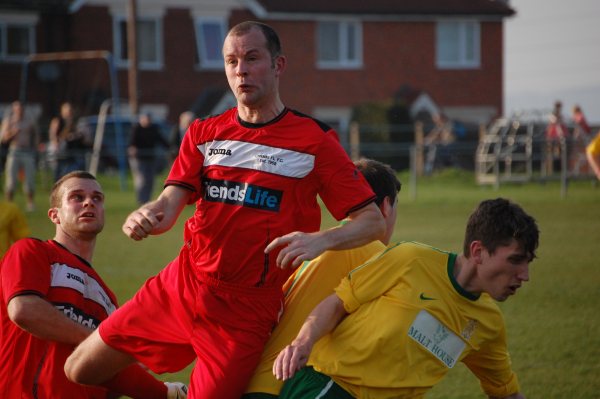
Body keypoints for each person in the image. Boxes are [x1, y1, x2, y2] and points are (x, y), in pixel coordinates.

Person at [64, 21, 385, 399]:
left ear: (278, 65)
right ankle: (170, 393)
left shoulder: (314, 141)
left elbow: (372, 222)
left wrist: (321, 241)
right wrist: (148, 214)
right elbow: (170, 203)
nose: (241, 70)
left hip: (244, 314)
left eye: (252, 58)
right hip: (183, 284)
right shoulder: (204, 132)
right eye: (232, 61)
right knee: (80, 368)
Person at [274, 197, 539, 399]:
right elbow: (337, 303)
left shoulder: (488, 324)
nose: (524, 275)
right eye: (515, 261)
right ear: (478, 251)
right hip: (330, 387)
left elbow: (505, 391)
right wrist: (302, 343)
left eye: (527, 263)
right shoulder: (411, 260)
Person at [0, 171, 187, 399]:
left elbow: (105, 382)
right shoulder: (32, 251)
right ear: (54, 215)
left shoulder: (108, 298)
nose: (89, 202)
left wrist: (163, 391)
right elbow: (24, 310)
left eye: (97, 198)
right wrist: (100, 342)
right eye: (77, 197)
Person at [244, 158, 401, 399]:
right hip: (285, 387)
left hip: (257, 381)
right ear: (387, 206)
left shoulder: (320, 246)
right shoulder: (370, 251)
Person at [1, 100, 39, 211]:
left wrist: (35, 146)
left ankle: (30, 204)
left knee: (29, 179)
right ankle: (9, 204)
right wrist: (13, 132)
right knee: (11, 180)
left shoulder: (29, 121)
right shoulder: (9, 121)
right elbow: (3, 139)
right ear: (14, 110)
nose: (20, 111)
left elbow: (35, 134)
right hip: (14, 152)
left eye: (21, 109)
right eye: (17, 109)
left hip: (27, 151)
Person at [128, 112, 169, 204]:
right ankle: (141, 199)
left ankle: (147, 199)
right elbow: (132, 142)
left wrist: (170, 148)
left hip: (150, 157)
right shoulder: (136, 128)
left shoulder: (153, 129)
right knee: (142, 179)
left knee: (150, 180)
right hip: (139, 159)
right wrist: (133, 148)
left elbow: (161, 140)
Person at [48, 102, 90, 181]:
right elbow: (54, 136)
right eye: (67, 111)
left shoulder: (76, 122)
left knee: (74, 173)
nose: (69, 114)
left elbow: (82, 137)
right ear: (62, 112)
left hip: (72, 152)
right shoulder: (58, 121)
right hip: (60, 151)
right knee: (59, 175)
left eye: (70, 111)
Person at [544, 100, 569, 175]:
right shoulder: (553, 115)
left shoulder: (559, 115)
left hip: (558, 138)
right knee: (550, 155)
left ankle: (560, 172)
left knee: (561, 155)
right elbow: (554, 122)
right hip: (552, 137)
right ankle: (549, 171)